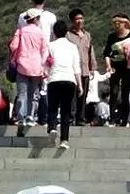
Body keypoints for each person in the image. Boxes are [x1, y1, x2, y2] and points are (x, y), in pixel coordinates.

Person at [44, 11, 83, 152]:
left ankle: (52, 128)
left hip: (54, 79)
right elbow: (76, 68)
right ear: (66, 32)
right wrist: (80, 85)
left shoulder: (50, 45)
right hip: (69, 80)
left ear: (54, 33)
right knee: (66, 111)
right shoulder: (73, 47)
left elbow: (46, 64)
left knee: (53, 108)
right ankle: (64, 140)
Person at [7, 8, 49, 137]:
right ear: (36, 19)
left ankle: (21, 117)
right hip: (36, 66)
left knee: (22, 93)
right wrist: (43, 65)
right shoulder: (41, 33)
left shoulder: (20, 31)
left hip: (22, 65)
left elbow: (13, 46)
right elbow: (45, 51)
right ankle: (31, 116)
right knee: (34, 93)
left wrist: (14, 58)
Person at [103, 14, 130, 120]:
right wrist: (108, 66)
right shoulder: (112, 37)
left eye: (119, 22)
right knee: (114, 92)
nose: (117, 25)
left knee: (125, 94)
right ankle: (112, 118)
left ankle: (125, 119)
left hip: (128, 68)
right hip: (115, 67)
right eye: (114, 23)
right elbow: (107, 54)